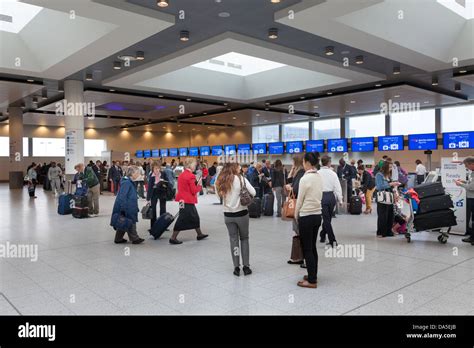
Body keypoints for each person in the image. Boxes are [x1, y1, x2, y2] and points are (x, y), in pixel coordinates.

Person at [216, 162, 256, 276]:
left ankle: (236, 267)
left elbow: (217, 195)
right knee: (244, 239)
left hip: (228, 216)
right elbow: (254, 192)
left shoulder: (220, 181)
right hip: (242, 213)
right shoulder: (241, 179)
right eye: (238, 167)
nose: (240, 169)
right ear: (234, 168)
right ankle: (246, 267)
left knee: (233, 240)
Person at [294, 152, 323, 289]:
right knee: (312, 247)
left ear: (307, 162)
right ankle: (313, 274)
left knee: (307, 249)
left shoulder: (305, 179)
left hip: (306, 216)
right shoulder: (319, 177)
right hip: (317, 215)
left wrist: (295, 214)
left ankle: (311, 281)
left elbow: (300, 200)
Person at [169, 158, 208, 244]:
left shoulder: (182, 175)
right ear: (190, 165)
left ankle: (199, 234)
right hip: (188, 200)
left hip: (182, 200)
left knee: (194, 217)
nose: (195, 166)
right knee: (183, 218)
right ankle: (173, 238)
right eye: (194, 165)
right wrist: (199, 186)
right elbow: (194, 190)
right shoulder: (191, 176)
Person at [110, 166, 144, 245]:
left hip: (130, 205)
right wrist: (123, 208)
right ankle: (135, 238)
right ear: (132, 174)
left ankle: (118, 238)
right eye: (137, 173)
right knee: (131, 222)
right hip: (128, 207)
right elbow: (122, 196)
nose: (138, 174)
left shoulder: (129, 181)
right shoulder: (127, 183)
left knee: (124, 222)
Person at [285, 154, 306, 265]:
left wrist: (290, 188)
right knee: (298, 231)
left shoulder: (301, 173)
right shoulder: (298, 173)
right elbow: (288, 179)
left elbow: (296, 188)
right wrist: (292, 170)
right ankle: (299, 256)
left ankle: (302, 257)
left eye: (293, 162)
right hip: (299, 206)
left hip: (299, 206)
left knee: (299, 231)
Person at [319, 156, 343, 247]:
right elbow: (337, 187)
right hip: (331, 197)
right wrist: (340, 199)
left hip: (321, 197)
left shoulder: (317, 173)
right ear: (329, 163)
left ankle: (322, 234)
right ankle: (332, 240)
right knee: (328, 219)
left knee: (326, 219)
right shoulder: (333, 174)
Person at [375, 161, 400, 238]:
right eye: (389, 167)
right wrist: (390, 184)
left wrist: (395, 192)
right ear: (385, 167)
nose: (390, 169)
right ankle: (381, 232)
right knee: (383, 215)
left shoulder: (388, 175)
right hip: (382, 198)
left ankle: (388, 231)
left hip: (390, 197)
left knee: (390, 215)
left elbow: (390, 186)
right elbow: (379, 187)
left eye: (391, 167)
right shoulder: (379, 175)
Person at [455, 157, 474, 245]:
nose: (466, 168)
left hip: (472, 198)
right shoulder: (472, 172)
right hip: (471, 197)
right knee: (472, 219)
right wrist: (464, 181)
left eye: (467, 166)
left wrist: (461, 184)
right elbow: (471, 183)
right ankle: (472, 237)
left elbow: (471, 187)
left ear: (472, 164)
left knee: (473, 219)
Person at [147, 161, 168, 232]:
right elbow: (149, 187)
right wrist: (148, 198)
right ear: (152, 168)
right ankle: (153, 226)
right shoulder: (151, 175)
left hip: (162, 192)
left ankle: (163, 225)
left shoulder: (163, 173)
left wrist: (163, 183)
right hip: (154, 193)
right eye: (155, 168)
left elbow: (167, 183)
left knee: (163, 209)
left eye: (158, 168)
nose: (157, 170)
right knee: (153, 210)